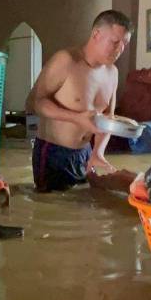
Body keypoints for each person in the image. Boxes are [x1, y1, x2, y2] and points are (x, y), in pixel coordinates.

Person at [26, 10, 132, 192]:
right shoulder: (66, 60)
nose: (120, 49)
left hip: (85, 152)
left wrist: (98, 151)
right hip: (53, 151)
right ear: (96, 34)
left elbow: (108, 118)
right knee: (51, 210)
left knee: (84, 207)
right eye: (115, 42)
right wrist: (77, 118)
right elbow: (35, 103)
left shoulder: (112, 72)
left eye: (124, 44)